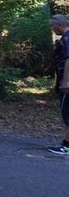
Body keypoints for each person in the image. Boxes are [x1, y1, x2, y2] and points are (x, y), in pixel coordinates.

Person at [48, 14, 69, 154]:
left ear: (59, 25)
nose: (52, 29)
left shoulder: (67, 38)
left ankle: (66, 145)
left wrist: (66, 81)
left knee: (67, 113)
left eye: (52, 26)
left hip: (67, 83)